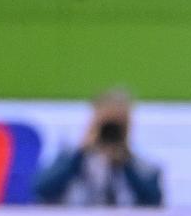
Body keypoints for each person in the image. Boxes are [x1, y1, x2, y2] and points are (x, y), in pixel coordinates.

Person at [33, 88, 162, 207]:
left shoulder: (141, 166)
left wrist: (125, 162)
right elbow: (41, 189)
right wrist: (81, 153)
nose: (110, 131)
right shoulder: (70, 158)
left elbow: (154, 201)